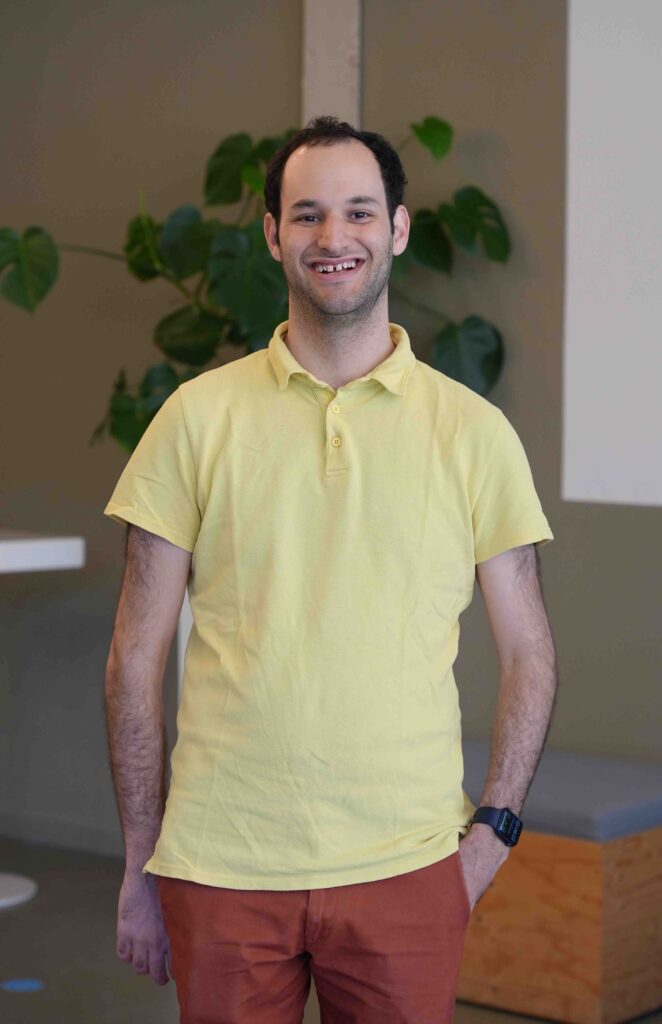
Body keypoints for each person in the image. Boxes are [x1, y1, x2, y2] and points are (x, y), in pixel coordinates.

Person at [103, 115, 557, 1023]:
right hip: (220, 865)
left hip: (408, 867)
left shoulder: (473, 432)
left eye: (358, 213)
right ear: (272, 234)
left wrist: (492, 835)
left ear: (396, 228)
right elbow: (131, 662)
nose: (333, 238)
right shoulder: (194, 419)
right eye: (306, 215)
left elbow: (530, 653)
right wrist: (140, 856)